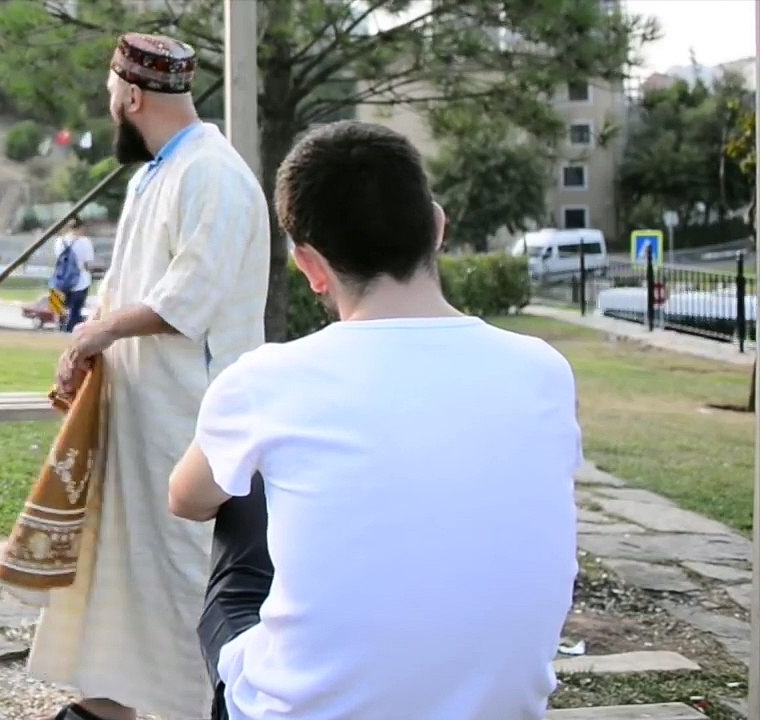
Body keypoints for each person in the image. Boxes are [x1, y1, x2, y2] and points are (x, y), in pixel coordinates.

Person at [168, 120, 583, 719]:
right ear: (436, 226)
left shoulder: (265, 381)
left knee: (242, 486)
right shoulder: (544, 370)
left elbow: (186, 499)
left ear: (311, 266)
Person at [32, 32, 270, 720]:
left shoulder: (212, 173)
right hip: (139, 417)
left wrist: (99, 331)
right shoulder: (154, 174)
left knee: (183, 575)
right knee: (122, 576)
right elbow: (126, 290)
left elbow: (188, 297)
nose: (110, 107)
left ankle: (199, 708)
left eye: (112, 95)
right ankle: (106, 706)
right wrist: (86, 351)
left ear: (132, 96)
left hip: (188, 420)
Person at [52, 216, 94, 332]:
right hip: (81, 281)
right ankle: (71, 331)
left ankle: (60, 328)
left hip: (61, 280)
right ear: (81, 227)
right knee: (75, 311)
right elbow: (88, 263)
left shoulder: (59, 241)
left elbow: (58, 260)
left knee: (60, 309)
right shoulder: (85, 242)